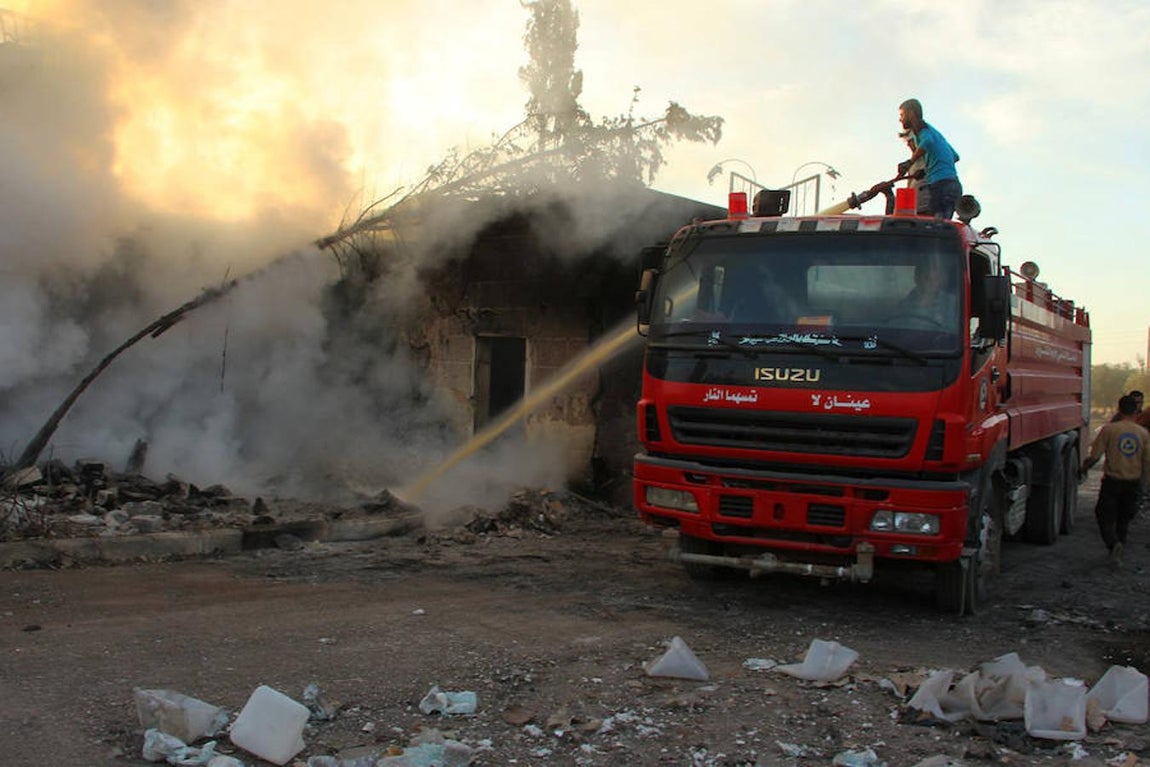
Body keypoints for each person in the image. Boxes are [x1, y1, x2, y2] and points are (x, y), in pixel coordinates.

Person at [1081, 394, 1150, 568]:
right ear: (1135, 410)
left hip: (1112, 481)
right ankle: (1118, 553)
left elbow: (1095, 456)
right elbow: (1147, 462)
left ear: (1119, 409)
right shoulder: (1143, 433)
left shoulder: (1109, 430)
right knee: (1124, 519)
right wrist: (1146, 484)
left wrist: (1083, 469)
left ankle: (1113, 544)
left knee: (1103, 515)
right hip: (1132, 482)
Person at [897, 98, 962, 220]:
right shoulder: (936, 133)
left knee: (935, 227)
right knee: (942, 225)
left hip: (941, 187)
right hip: (953, 185)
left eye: (902, 115)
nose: (900, 119)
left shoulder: (922, 130)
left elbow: (927, 142)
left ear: (911, 113)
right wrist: (928, 169)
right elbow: (955, 156)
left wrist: (910, 162)